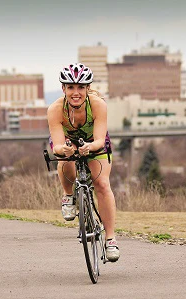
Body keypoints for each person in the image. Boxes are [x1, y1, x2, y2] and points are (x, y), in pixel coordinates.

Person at [47, 63, 119, 262]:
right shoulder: (55, 109)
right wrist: (65, 150)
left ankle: (110, 238)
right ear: (64, 89)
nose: (75, 92)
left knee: (102, 184)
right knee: (64, 156)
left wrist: (90, 147)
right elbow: (57, 146)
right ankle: (68, 195)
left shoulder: (97, 105)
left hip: (94, 143)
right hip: (67, 143)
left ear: (88, 89)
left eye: (80, 87)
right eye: (71, 87)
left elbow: (98, 139)